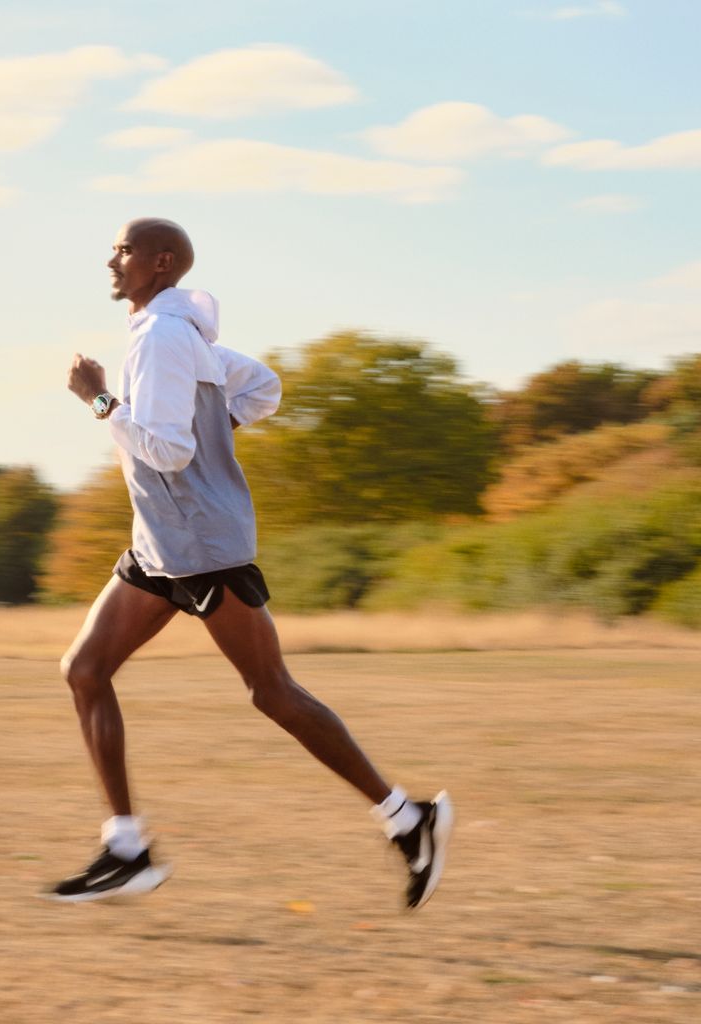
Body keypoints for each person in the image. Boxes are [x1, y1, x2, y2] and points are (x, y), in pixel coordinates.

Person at [44, 217, 452, 909]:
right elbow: (264, 387)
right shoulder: (172, 334)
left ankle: (408, 821)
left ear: (161, 263)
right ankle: (126, 849)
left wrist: (101, 401)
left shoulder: (168, 338)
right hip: (162, 541)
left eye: (124, 249)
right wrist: (213, 436)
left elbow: (168, 451)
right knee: (84, 670)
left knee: (272, 691)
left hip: (200, 544)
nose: (111, 258)